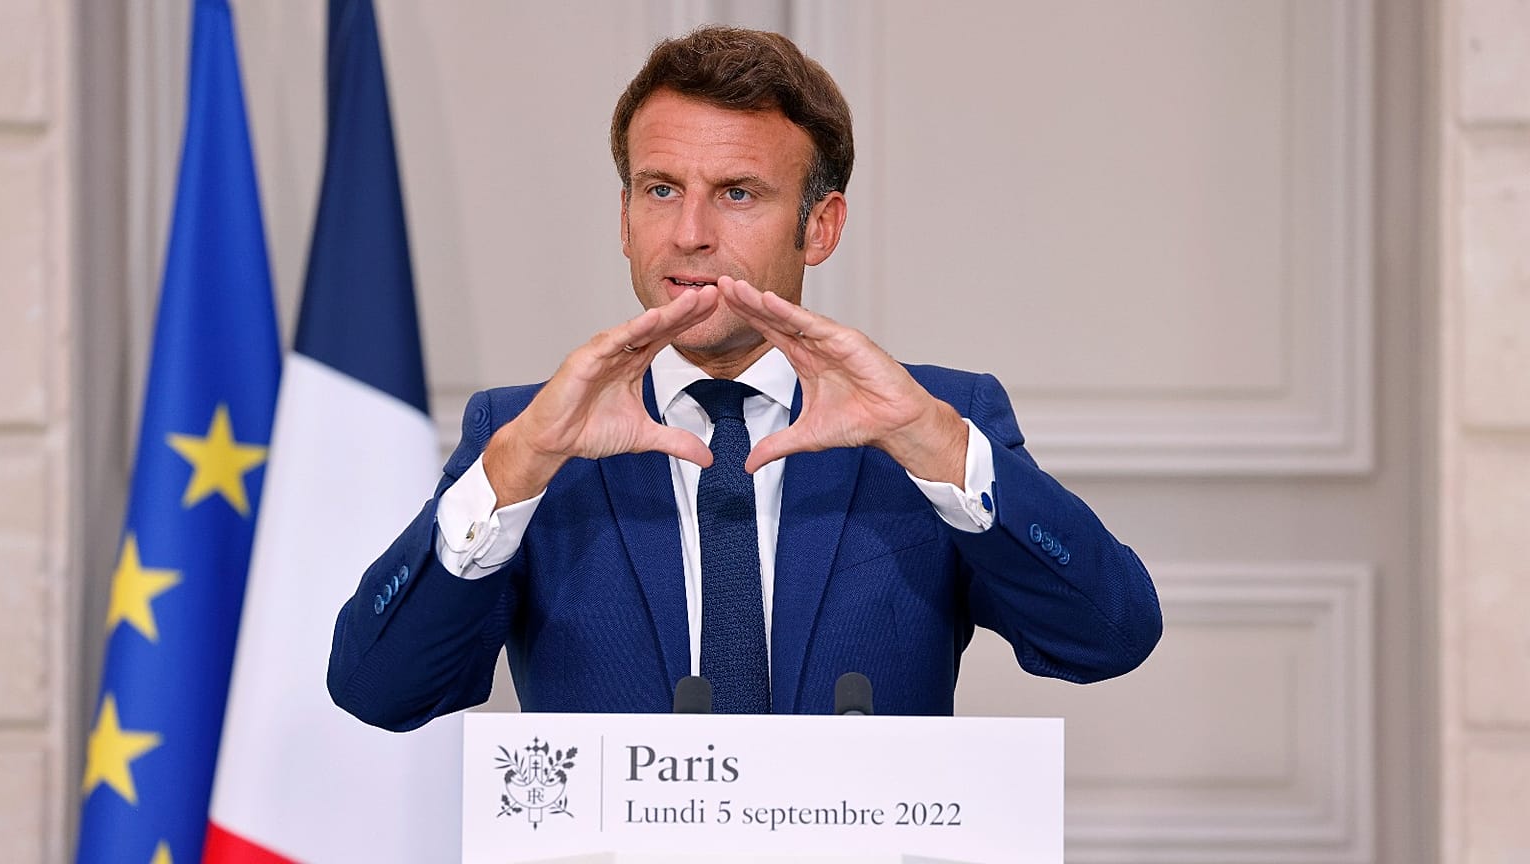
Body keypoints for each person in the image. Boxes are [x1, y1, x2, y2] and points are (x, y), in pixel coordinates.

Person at [328, 26, 1161, 726]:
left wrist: (936, 444)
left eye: (736, 194)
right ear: (624, 219)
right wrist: (509, 475)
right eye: (660, 189)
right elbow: (381, 691)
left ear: (819, 227)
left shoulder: (931, 419)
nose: (688, 232)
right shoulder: (527, 433)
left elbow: (1108, 637)